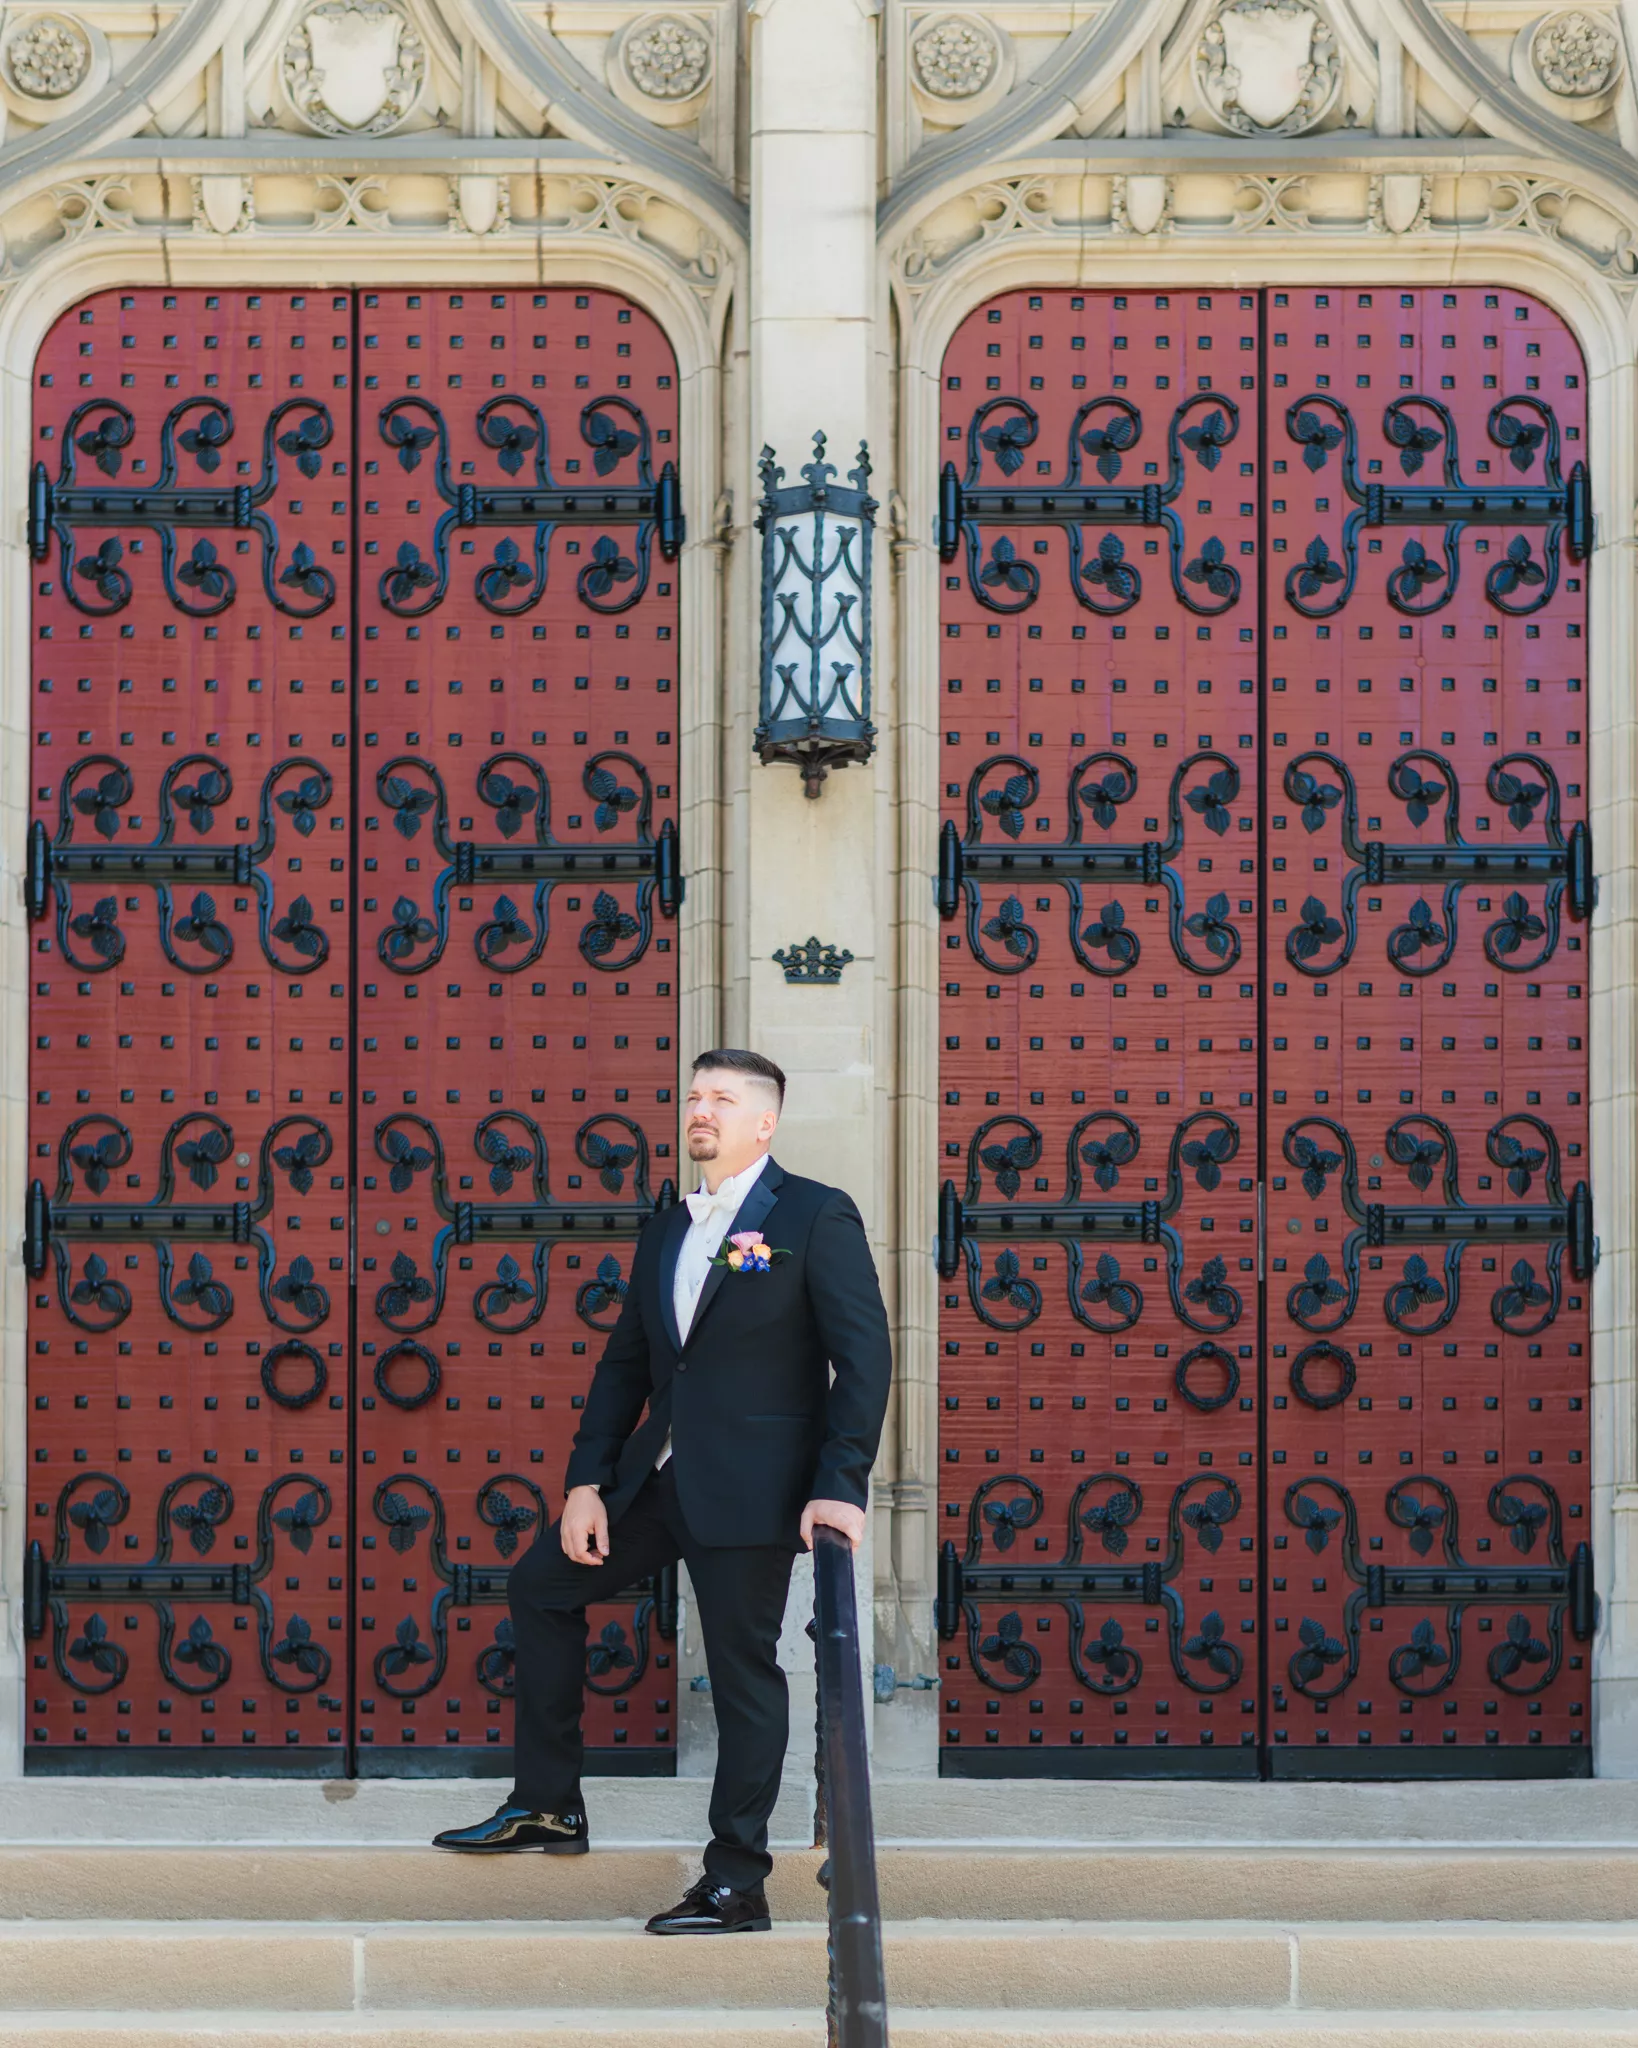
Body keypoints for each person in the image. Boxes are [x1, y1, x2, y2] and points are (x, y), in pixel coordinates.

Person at [432, 1047, 892, 1934]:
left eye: (721, 1098)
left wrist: (841, 1486)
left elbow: (862, 1360)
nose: (700, 1110)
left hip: (757, 1494)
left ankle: (736, 1881)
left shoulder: (813, 1214)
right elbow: (626, 1366)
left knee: (742, 1677)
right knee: (541, 1586)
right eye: (692, 1096)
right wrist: (586, 1483)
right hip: (657, 1481)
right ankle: (549, 1803)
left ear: (765, 1121)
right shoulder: (668, 1226)